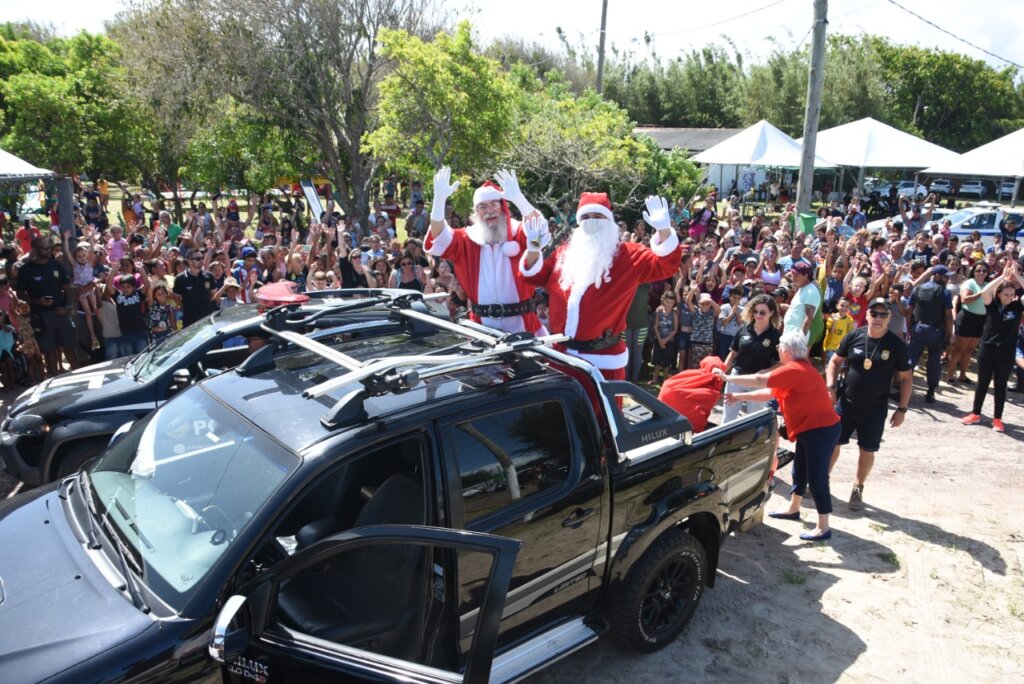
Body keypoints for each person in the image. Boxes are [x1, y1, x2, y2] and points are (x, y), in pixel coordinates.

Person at [520, 193, 681, 379]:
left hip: (603, 361)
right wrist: (533, 247)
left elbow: (666, 265)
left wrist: (664, 231)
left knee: (600, 409)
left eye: (598, 216)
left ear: (610, 220)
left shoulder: (628, 255)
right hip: (561, 357)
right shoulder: (564, 254)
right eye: (586, 217)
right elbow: (533, 277)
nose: (591, 222)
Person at [716, 331, 840, 541]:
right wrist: (738, 396)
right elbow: (771, 392)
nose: (778, 349)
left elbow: (760, 380)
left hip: (821, 430)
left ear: (788, 350)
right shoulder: (795, 369)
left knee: (817, 477)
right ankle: (793, 508)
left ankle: (823, 526)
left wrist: (728, 377)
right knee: (799, 469)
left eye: (780, 346)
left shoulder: (795, 369)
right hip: (808, 429)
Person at [427, 167, 547, 334]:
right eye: (482, 206)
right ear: (476, 212)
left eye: (494, 204)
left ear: (503, 206)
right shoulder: (466, 239)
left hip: (523, 324)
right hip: (482, 328)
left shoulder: (518, 232)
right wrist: (438, 200)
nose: (489, 210)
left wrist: (519, 199)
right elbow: (438, 235)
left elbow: (539, 232)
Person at [826, 297, 913, 510]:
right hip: (845, 402)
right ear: (867, 314)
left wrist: (902, 409)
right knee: (832, 443)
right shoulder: (854, 336)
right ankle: (822, 480)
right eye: (874, 313)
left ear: (889, 317)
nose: (878, 318)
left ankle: (858, 486)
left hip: (875, 408)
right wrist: (830, 388)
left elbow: (906, 378)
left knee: (867, 449)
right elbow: (834, 362)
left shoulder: (896, 345)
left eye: (883, 314)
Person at [961, 263, 1024, 432]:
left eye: (1011, 294)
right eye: (1006, 294)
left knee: (1000, 385)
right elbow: (986, 291)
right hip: (988, 348)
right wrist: (1002, 277)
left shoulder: (1017, 306)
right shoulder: (992, 304)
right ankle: (976, 413)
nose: (1009, 297)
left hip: (1007, 350)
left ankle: (997, 419)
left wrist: (1016, 276)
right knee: (982, 383)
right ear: (999, 294)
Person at [15, 236, 80, 377]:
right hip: (41, 316)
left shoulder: (57, 265)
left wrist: (67, 307)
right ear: (35, 250)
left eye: (49, 248)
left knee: (69, 348)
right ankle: (55, 381)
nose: (48, 250)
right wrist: (37, 301)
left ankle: (78, 377)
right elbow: (20, 293)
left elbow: (67, 288)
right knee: (50, 351)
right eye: (45, 248)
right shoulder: (26, 270)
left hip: (61, 312)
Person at [721, 293, 781, 423]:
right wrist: (723, 371)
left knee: (754, 422)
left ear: (771, 313)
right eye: (755, 312)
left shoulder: (775, 335)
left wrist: (766, 372)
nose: (758, 315)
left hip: (758, 383)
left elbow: (780, 363)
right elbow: (733, 353)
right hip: (737, 379)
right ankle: (724, 443)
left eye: (763, 313)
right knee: (727, 419)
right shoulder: (743, 329)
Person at [908, 265, 954, 403]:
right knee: (934, 362)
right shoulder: (944, 292)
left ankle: (904, 390)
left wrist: (909, 328)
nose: (947, 279)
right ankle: (931, 392)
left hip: (918, 328)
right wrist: (950, 333)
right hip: (935, 330)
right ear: (937, 276)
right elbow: (948, 316)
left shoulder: (918, 288)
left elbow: (910, 311)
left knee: (910, 360)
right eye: (945, 276)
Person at [946, 262, 989, 384]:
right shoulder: (969, 283)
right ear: (973, 271)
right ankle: (950, 375)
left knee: (969, 350)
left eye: (984, 271)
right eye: (978, 270)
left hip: (981, 320)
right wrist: (982, 293)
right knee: (959, 349)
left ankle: (963, 375)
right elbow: (965, 300)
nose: (981, 273)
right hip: (967, 318)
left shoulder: (988, 284)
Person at [173, 249, 217, 327]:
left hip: (208, 318)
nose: (201, 260)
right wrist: (184, 307)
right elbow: (176, 296)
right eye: (198, 259)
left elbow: (213, 294)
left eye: (201, 258)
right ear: (189, 261)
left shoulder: (209, 276)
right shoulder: (180, 278)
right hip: (190, 320)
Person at [782, 261, 821, 341]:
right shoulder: (802, 288)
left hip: (796, 339)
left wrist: (800, 340)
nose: (793, 277)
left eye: (797, 275)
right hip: (789, 335)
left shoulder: (811, 291)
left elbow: (808, 319)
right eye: (792, 273)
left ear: (806, 276)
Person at [651, 290, 679, 384]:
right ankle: (655, 378)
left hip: (669, 341)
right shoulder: (659, 311)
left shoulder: (674, 314)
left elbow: (675, 329)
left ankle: (665, 380)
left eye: (671, 302)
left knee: (667, 361)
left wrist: (665, 340)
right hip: (658, 339)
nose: (669, 304)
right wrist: (659, 340)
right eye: (667, 302)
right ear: (663, 300)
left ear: (674, 303)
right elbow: (655, 326)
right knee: (656, 360)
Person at [823, 296, 855, 364]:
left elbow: (849, 333)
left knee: (839, 366)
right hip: (831, 346)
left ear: (849, 308)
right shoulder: (832, 317)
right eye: (842, 305)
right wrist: (834, 322)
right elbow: (831, 332)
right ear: (837, 306)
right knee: (829, 366)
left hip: (841, 348)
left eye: (846, 306)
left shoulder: (849, 319)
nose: (844, 308)